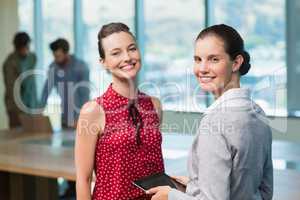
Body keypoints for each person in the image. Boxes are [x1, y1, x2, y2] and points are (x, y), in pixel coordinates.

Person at [147, 24, 273, 200]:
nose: (202, 69)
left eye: (214, 59)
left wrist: (171, 195)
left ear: (236, 62)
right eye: (198, 59)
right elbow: (264, 191)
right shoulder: (258, 113)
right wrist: (195, 186)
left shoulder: (215, 122)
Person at [75, 22, 165, 200]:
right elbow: (83, 179)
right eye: (116, 53)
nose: (127, 57)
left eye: (132, 49)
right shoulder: (93, 111)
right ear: (104, 63)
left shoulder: (154, 105)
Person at [41, 38, 90, 129]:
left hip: (81, 118)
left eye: (58, 56)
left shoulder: (81, 67)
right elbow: (46, 90)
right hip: (65, 116)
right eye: (54, 56)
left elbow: (84, 95)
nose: (56, 60)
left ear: (66, 53)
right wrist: (39, 111)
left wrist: (80, 117)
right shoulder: (54, 67)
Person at [2, 32, 38, 128]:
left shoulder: (32, 57)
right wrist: (21, 111)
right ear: (17, 47)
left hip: (32, 105)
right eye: (23, 48)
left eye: (27, 47)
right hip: (15, 108)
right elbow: (12, 89)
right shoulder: (9, 63)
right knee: (18, 135)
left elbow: (31, 84)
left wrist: (36, 106)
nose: (26, 50)